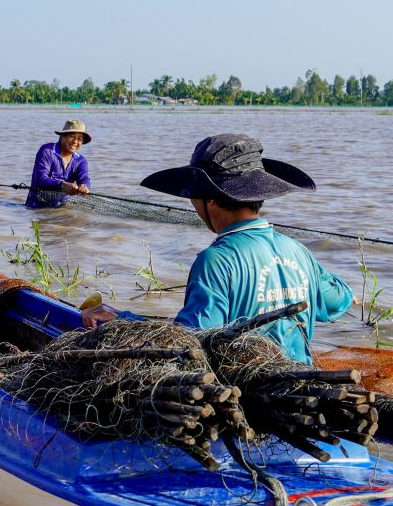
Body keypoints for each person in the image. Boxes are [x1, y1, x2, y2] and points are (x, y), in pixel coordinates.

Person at [80, 134, 353, 365]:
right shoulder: (297, 250)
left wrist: (122, 319)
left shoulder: (216, 260)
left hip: (248, 392)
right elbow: (338, 299)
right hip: (301, 381)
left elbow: (188, 342)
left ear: (210, 200)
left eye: (192, 197)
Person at [26, 119, 92, 208]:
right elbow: (41, 179)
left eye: (79, 139)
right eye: (72, 136)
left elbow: (84, 178)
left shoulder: (81, 161)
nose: (75, 142)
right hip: (36, 208)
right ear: (62, 136)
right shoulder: (47, 151)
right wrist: (62, 185)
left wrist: (85, 186)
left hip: (61, 210)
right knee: (35, 222)